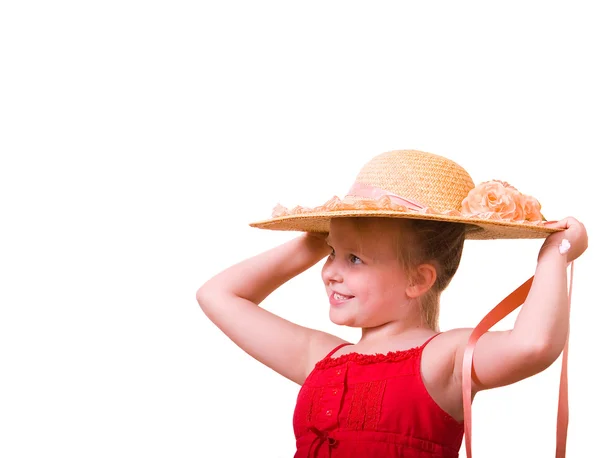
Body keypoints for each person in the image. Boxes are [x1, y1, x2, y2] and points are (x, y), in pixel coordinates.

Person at [196, 149, 587, 458]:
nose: (330, 271)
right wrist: (315, 238)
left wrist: (556, 253)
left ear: (418, 280)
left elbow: (533, 344)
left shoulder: (443, 359)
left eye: (354, 259)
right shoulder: (322, 359)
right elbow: (217, 296)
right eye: (332, 253)